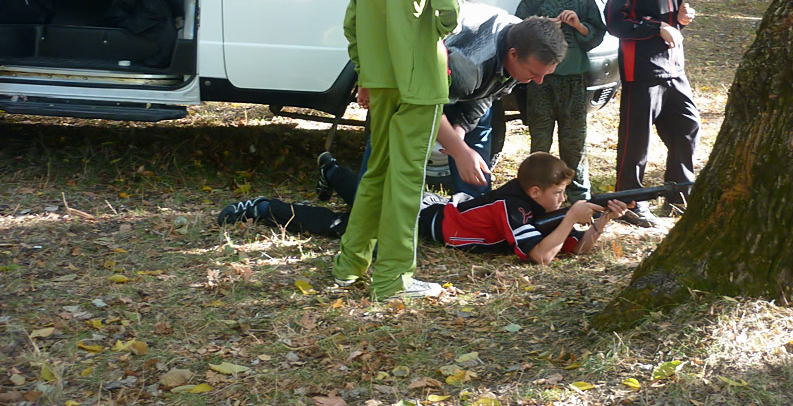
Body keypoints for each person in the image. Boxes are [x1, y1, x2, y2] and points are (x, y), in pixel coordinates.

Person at [332, 0, 466, 300]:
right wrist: (440, 29)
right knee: (407, 180)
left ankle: (349, 265)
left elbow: (352, 22)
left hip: (382, 80)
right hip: (420, 82)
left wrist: (365, 73)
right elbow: (450, 4)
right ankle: (393, 281)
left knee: (377, 172)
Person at [220, 153, 628, 266]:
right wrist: (573, 218)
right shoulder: (512, 207)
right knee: (345, 226)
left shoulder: (541, 210)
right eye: (558, 194)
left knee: (366, 203)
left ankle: (332, 171)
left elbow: (574, 248)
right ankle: (260, 207)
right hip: (422, 219)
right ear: (536, 191)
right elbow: (541, 256)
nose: (562, 201)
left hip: (430, 212)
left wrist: (602, 219)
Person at [342, 5, 569, 198]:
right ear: (512, 54)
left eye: (544, 74)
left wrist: (459, 131)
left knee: (474, 152)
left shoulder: (524, 38)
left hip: (457, 80)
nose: (538, 81)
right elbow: (424, 106)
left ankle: (469, 221)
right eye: (534, 73)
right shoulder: (470, 66)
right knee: (389, 149)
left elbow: (487, 94)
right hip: (410, 76)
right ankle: (371, 215)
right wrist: (459, 150)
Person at [605, 0, 700, 228]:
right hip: (641, 70)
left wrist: (680, 19)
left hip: (674, 68)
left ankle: (679, 196)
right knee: (637, 140)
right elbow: (616, 22)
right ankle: (630, 202)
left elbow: (670, 20)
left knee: (688, 126)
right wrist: (656, 27)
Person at [515, 0, 606, 202]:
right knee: (540, 140)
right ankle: (535, 196)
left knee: (574, 141)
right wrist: (543, 27)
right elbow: (517, 35)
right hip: (541, 82)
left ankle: (578, 197)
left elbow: (596, 35)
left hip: (574, 81)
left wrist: (578, 26)